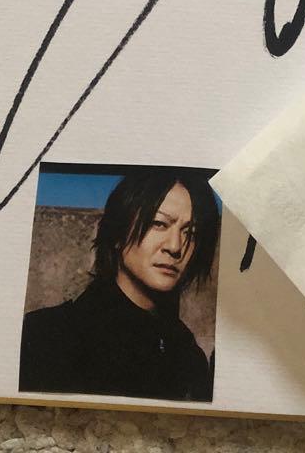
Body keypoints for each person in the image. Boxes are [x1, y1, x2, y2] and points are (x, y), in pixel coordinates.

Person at [19, 166, 219, 401]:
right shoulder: (47, 336)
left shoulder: (188, 357)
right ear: (117, 232)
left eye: (191, 233)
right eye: (159, 224)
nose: (175, 246)